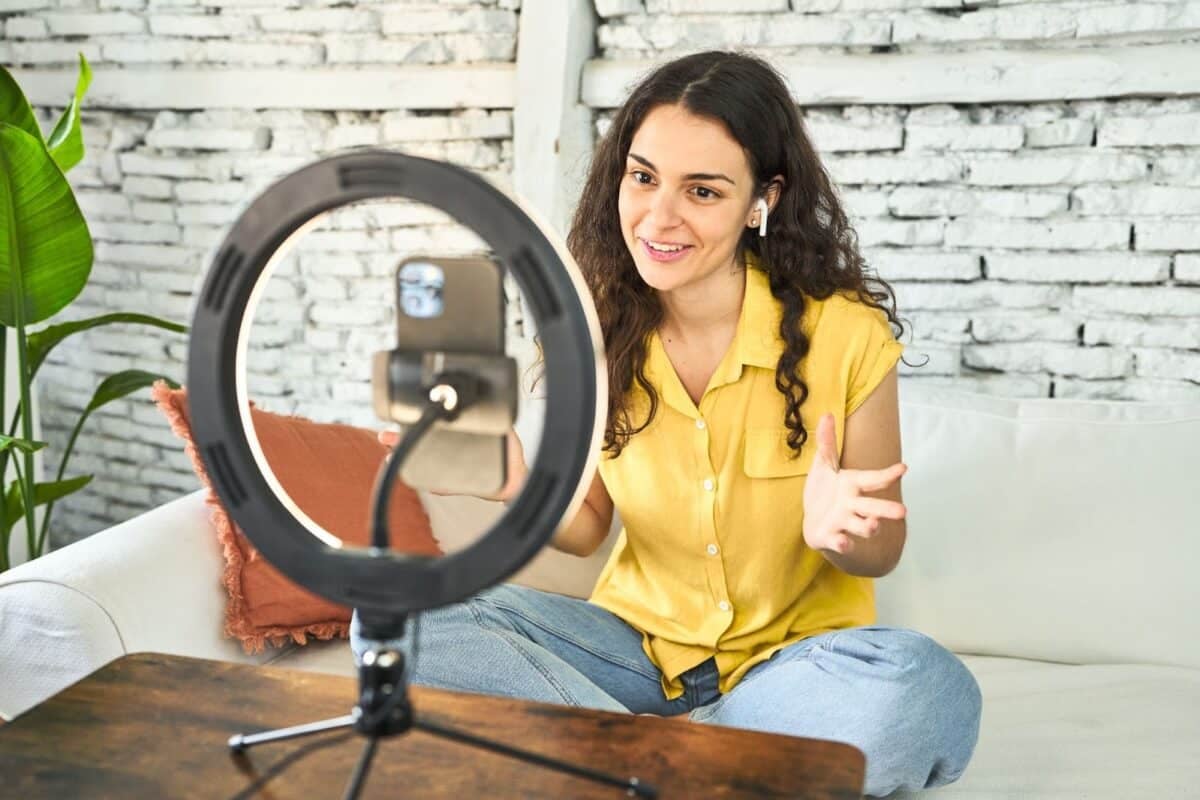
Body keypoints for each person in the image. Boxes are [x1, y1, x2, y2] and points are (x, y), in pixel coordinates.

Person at [355, 50, 982, 797]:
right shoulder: (596, 328)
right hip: (634, 655)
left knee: (924, 685)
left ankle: (614, 761)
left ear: (763, 200)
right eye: (643, 176)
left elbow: (881, 551)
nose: (658, 217)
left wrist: (844, 531)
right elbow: (588, 527)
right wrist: (517, 483)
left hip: (793, 670)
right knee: (400, 613)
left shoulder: (847, 334)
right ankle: (705, 768)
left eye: (703, 191)